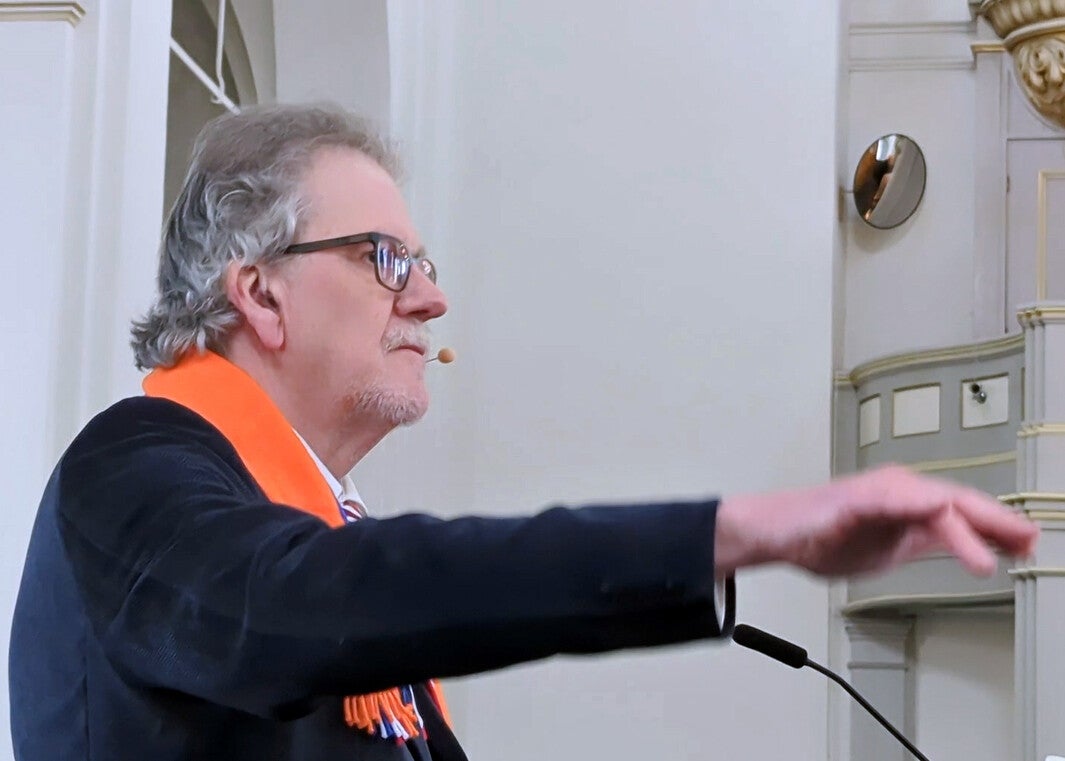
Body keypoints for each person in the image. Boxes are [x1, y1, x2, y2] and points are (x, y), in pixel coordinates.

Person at [9, 103, 1037, 761]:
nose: (432, 299)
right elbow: (307, 601)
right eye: (387, 258)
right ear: (261, 293)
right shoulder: (132, 468)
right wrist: (733, 529)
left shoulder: (317, 525)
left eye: (424, 263)